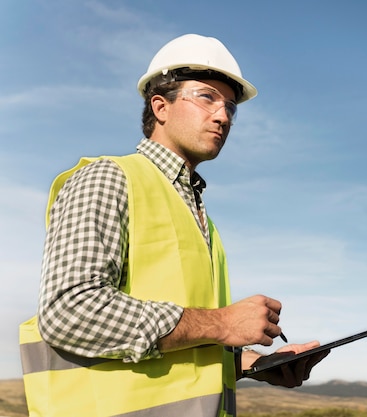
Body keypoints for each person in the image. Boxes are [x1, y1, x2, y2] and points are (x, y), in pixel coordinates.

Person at [19, 34, 329, 417]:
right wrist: (223, 322)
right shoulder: (110, 179)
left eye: (231, 106)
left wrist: (251, 364)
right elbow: (70, 311)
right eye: (206, 97)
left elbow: (177, 353)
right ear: (160, 107)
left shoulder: (201, 219)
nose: (222, 116)